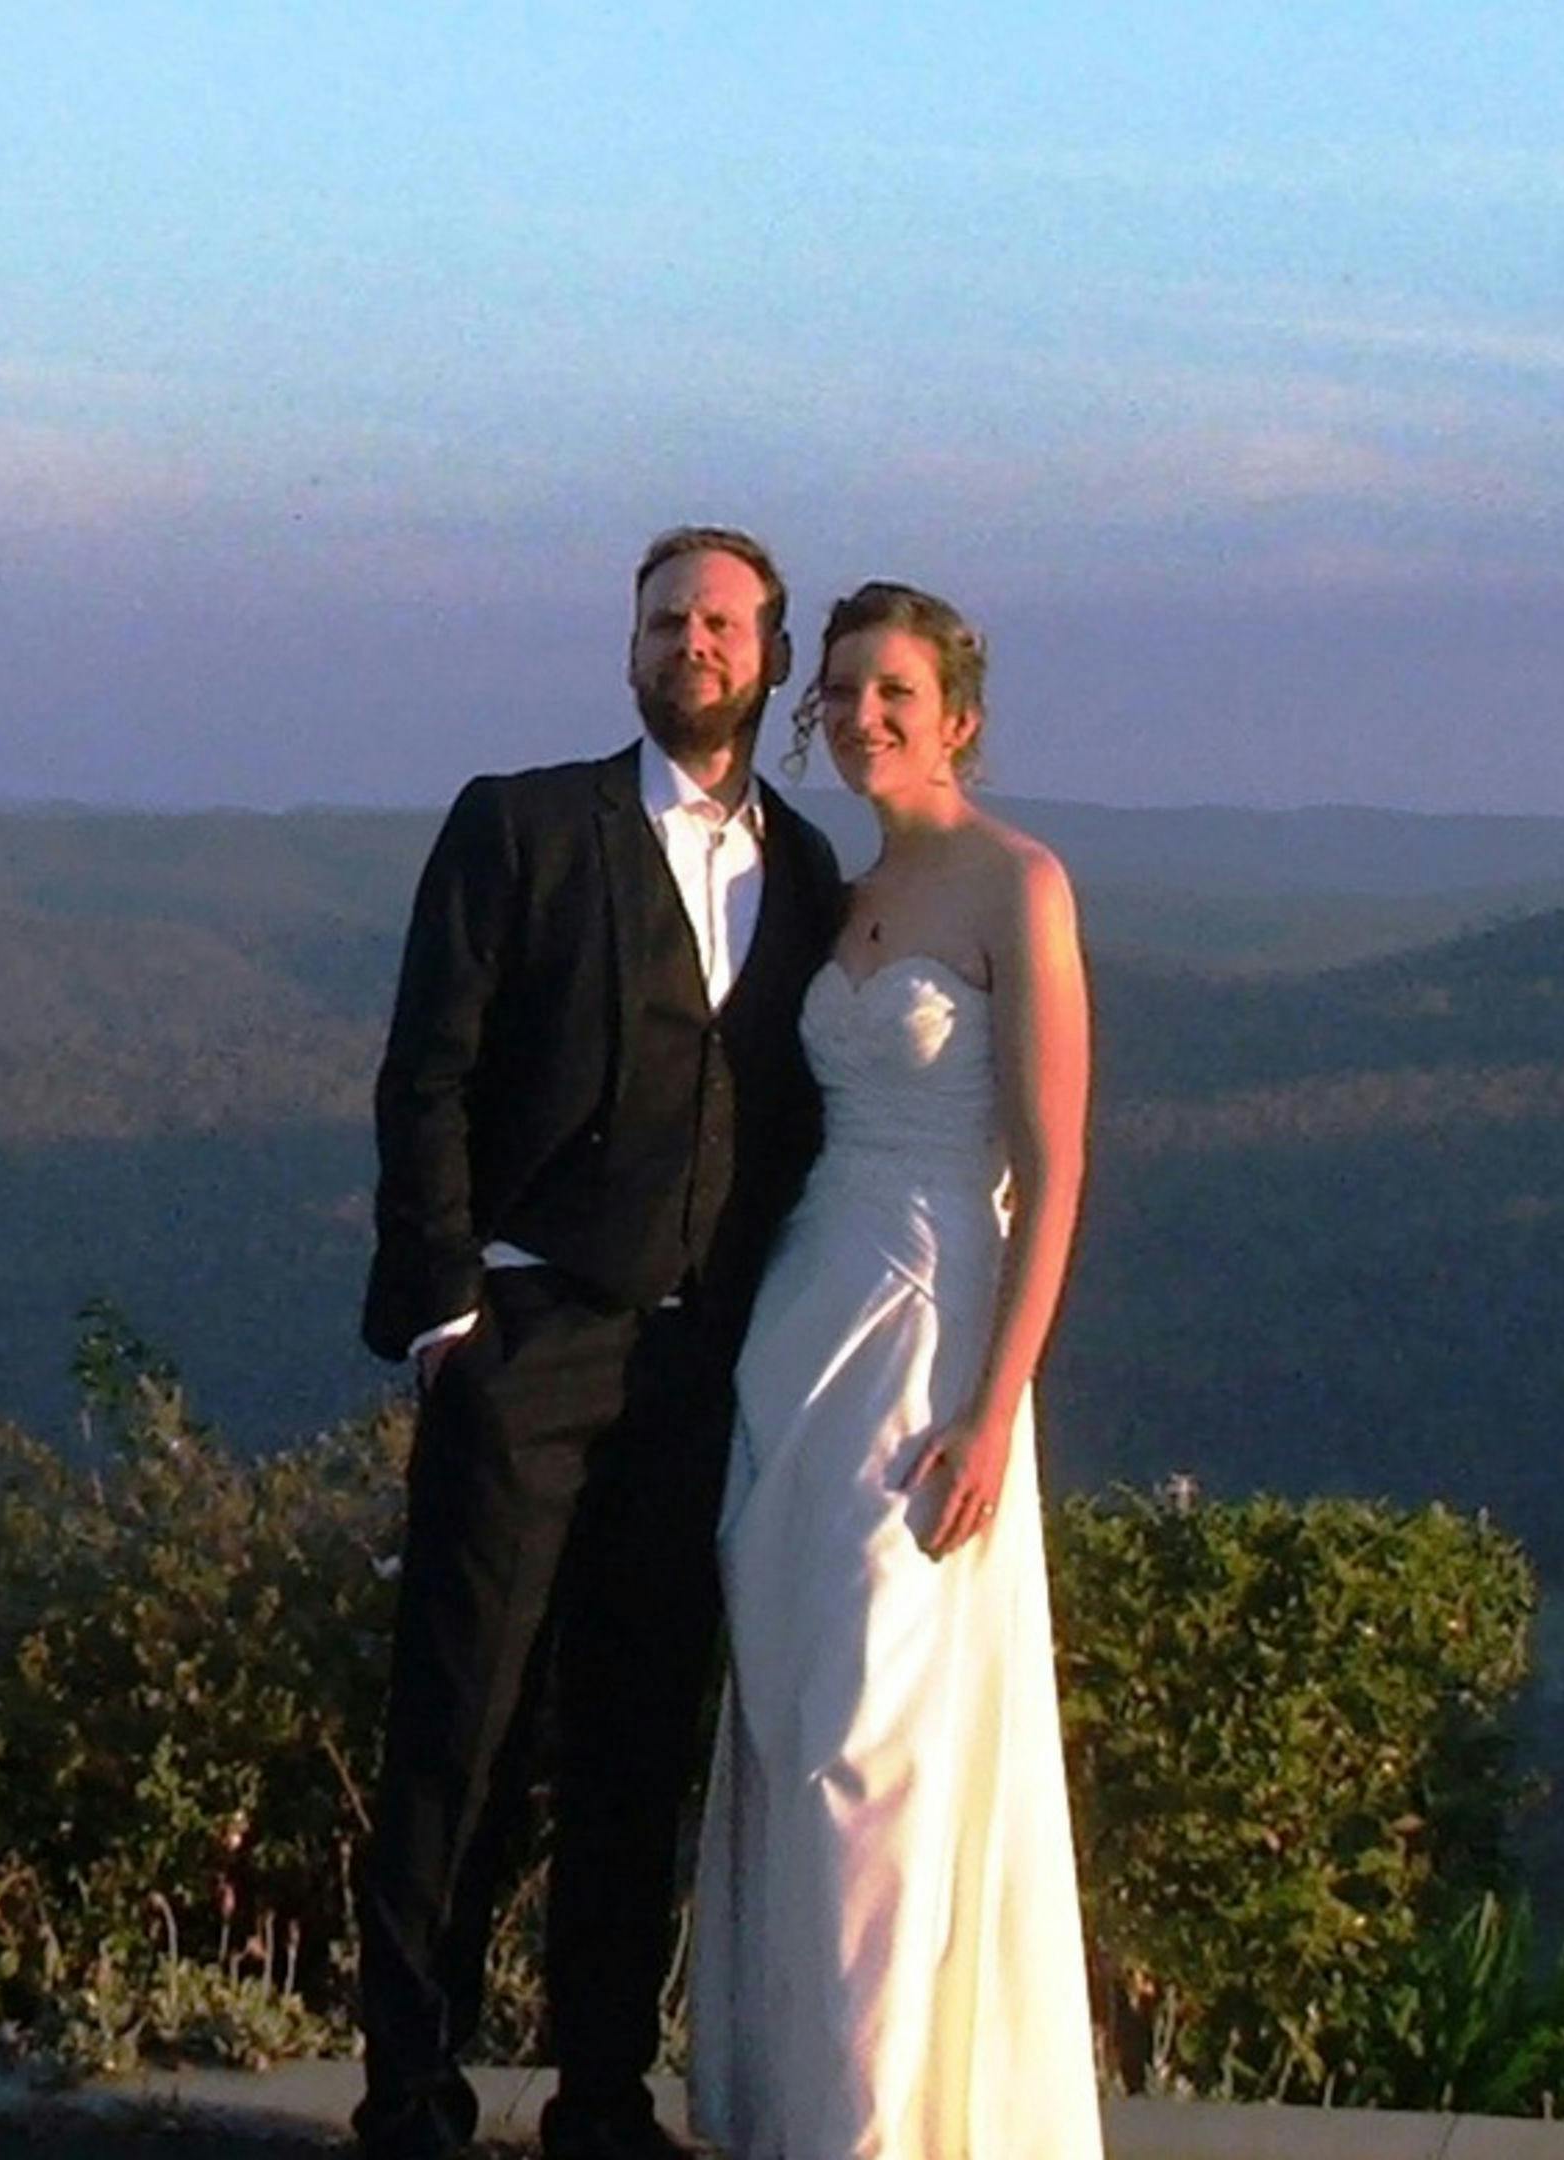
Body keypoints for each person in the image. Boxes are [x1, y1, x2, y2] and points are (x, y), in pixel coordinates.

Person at [353, 525, 849, 2160]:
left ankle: (603, 2098)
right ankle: (410, 2099)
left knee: (639, 1740)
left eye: (721, 622)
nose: (691, 641)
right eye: (665, 619)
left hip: (700, 1371)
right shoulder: (519, 824)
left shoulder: (811, 872)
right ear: (631, 647)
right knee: (464, 1729)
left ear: (769, 660)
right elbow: (426, 1071)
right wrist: (451, 1315)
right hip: (529, 1340)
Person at [689, 580, 1103, 2159]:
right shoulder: (839, 890)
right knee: (789, 1722)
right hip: (802, 1319)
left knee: (879, 1737)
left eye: (895, 695)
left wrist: (995, 1412)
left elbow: (1054, 1173)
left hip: (936, 1335)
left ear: (959, 721)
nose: (862, 716)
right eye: (844, 691)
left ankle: (872, 2125)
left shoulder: (1019, 884)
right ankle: (788, 2103)